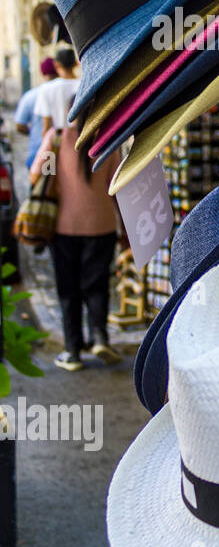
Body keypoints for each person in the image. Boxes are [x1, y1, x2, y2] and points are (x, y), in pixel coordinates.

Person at [30, 123, 122, 372]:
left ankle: (72, 351)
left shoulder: (57, 137)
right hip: (101, 226)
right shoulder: (107, 140)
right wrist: (123, 228)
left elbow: (38, 173)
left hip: (63, 227)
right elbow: (117, 184)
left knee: (68, 289)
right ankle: (100, 338)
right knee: (97, 284)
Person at [14, 57, 58, 169]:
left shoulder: (31, 96)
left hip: (40, 151)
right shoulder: (66, 91)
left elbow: (19, 125)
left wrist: (34, 132)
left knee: (38, 184)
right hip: (63, 151)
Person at [33, 45, 79, 135]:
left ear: (56, 64)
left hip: (58, 143)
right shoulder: (85, 86)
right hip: (83, 142)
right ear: (76, 63)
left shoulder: (46, 88)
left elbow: (47, 126)